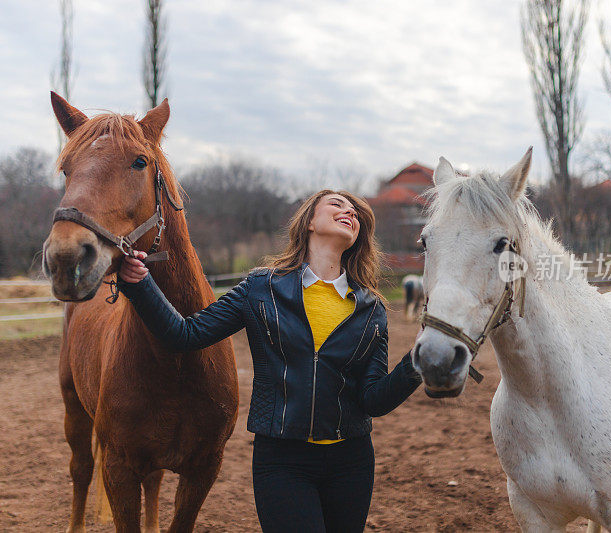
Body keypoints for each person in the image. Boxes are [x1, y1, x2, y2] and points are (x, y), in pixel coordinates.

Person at [117, 190, 422, 533]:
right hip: (283, 462)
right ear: (309, 222)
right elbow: (184, 335)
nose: (349, 212)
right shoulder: (260, 288)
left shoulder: (372, 309)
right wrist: (140, 285)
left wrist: (417, 363)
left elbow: (373, 400)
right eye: (337, 205)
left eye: (356, 213)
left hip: (352, 463)